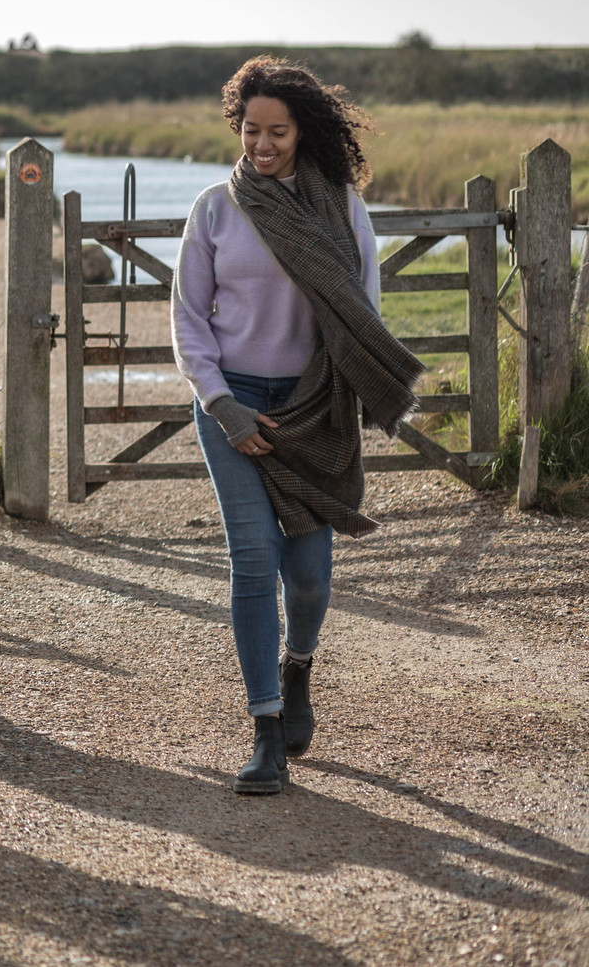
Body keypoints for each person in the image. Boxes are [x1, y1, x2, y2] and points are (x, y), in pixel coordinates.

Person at [172, 57, 421, 795]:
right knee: (253, 560)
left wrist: (350, 389)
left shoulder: (340, 203)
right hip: (231, 403)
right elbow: (188, 318)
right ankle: (265, 729)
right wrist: (221, 402)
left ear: (301, 130)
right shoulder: (215, 207)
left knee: (309, 575)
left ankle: (298, 662)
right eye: (251, 130)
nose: (262, 144)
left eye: (276, 131)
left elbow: (362, 311)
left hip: (313, 404)